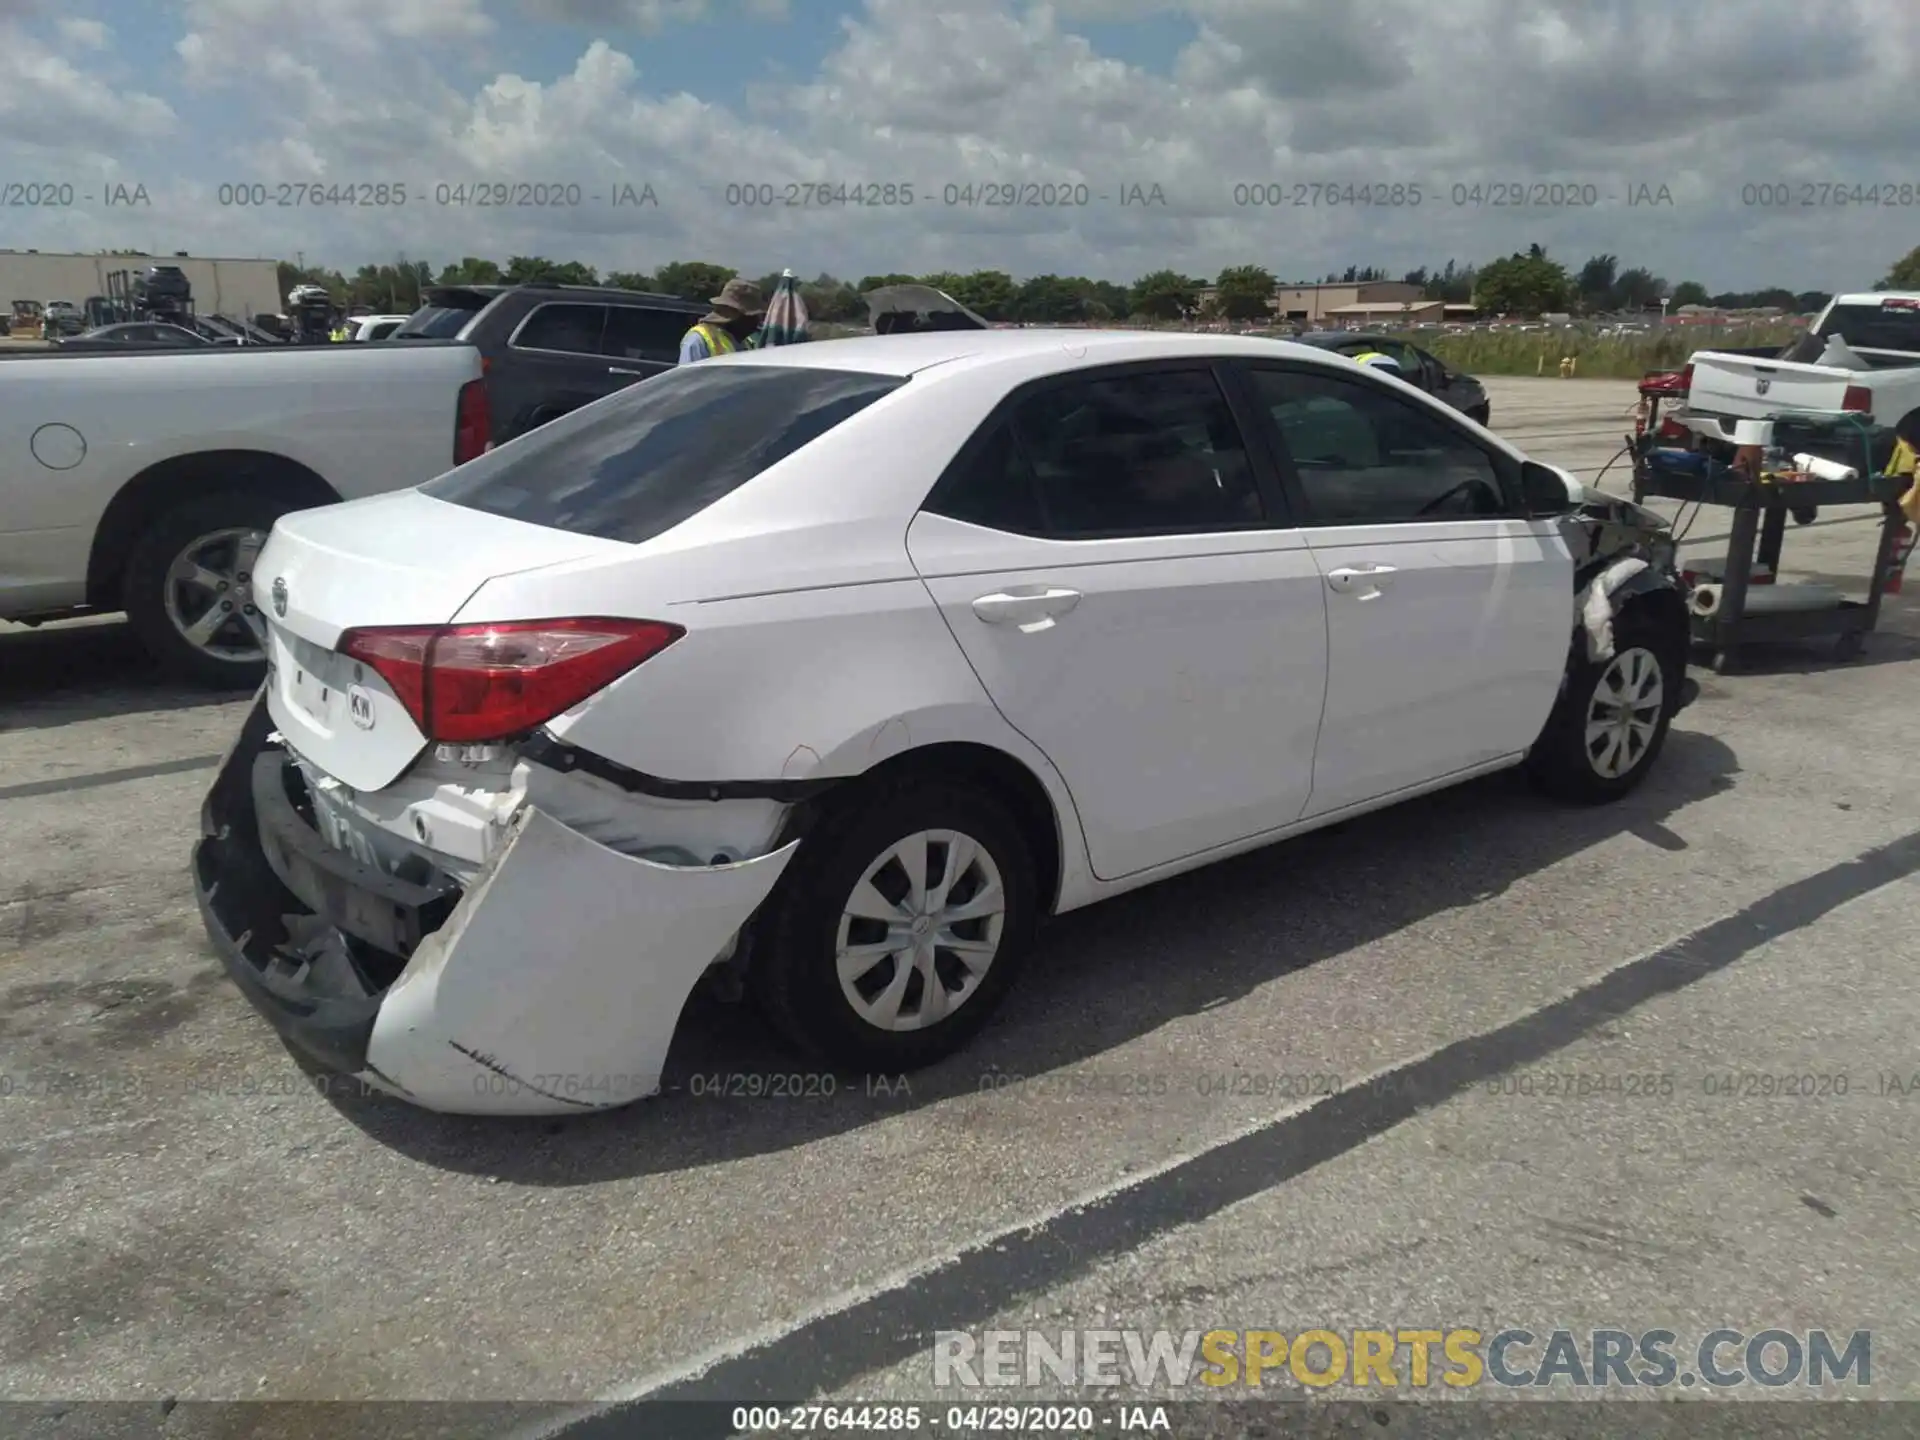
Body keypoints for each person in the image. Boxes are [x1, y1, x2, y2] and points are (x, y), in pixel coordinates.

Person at [679, 279, 765, 364]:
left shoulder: (747, 343)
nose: (757, 321)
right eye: (752, 316)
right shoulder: (699, 340)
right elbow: (687, 377)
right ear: (733, 314)